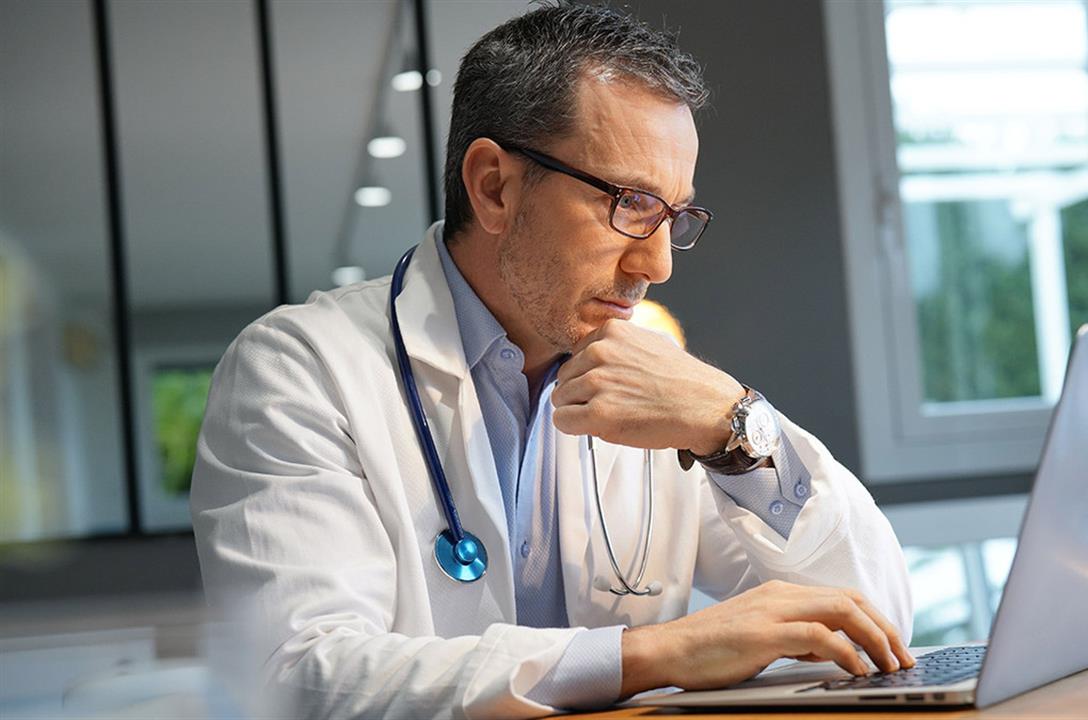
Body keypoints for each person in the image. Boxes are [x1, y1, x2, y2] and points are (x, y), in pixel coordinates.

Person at [190, 3, 913, 718]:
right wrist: (651, 656)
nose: (658, 264)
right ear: (494, 187)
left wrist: (737, 428)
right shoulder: (298, 371)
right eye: (630, 203)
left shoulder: (657, 380)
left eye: (673, 216)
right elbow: (301, 678)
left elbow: (872, 623)